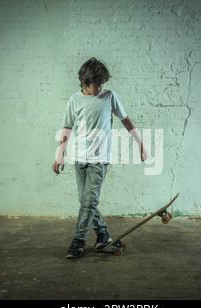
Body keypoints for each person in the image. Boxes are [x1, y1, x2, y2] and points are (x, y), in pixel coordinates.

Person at [52, 57, 147, 259]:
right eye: (97, 83)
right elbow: (67, 128)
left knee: (89, 202)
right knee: (85, 201)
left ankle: (78, 241)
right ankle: (103, 236)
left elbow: (126, 120)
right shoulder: (74, 100)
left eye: (103, 82)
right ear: (85, 82)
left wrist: (141, 143)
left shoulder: (109, 97)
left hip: (99, 159)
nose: (101, 86)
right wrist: (59, 155)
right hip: (79, 159)